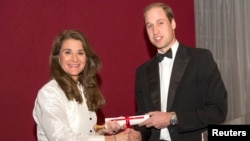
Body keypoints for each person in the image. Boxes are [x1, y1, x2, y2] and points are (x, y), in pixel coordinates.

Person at [130, 2, 228, 141]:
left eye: (160, 23)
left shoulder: (201, 59)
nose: (155, 30)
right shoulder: (142, 72)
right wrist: (137, 134)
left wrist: (172, 118)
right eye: (149, 25)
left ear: (173, 23)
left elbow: (218, 111)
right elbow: (145, 118)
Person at [32, 29, 129, 141]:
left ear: (86, 59)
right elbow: (61, 138)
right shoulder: (49, 93)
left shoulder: (85, 89)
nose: (75, 58)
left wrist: (102, 130)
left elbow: (83, 133)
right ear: (58, 58)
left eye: (80, 53)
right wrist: (113, 139)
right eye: (68, 52)